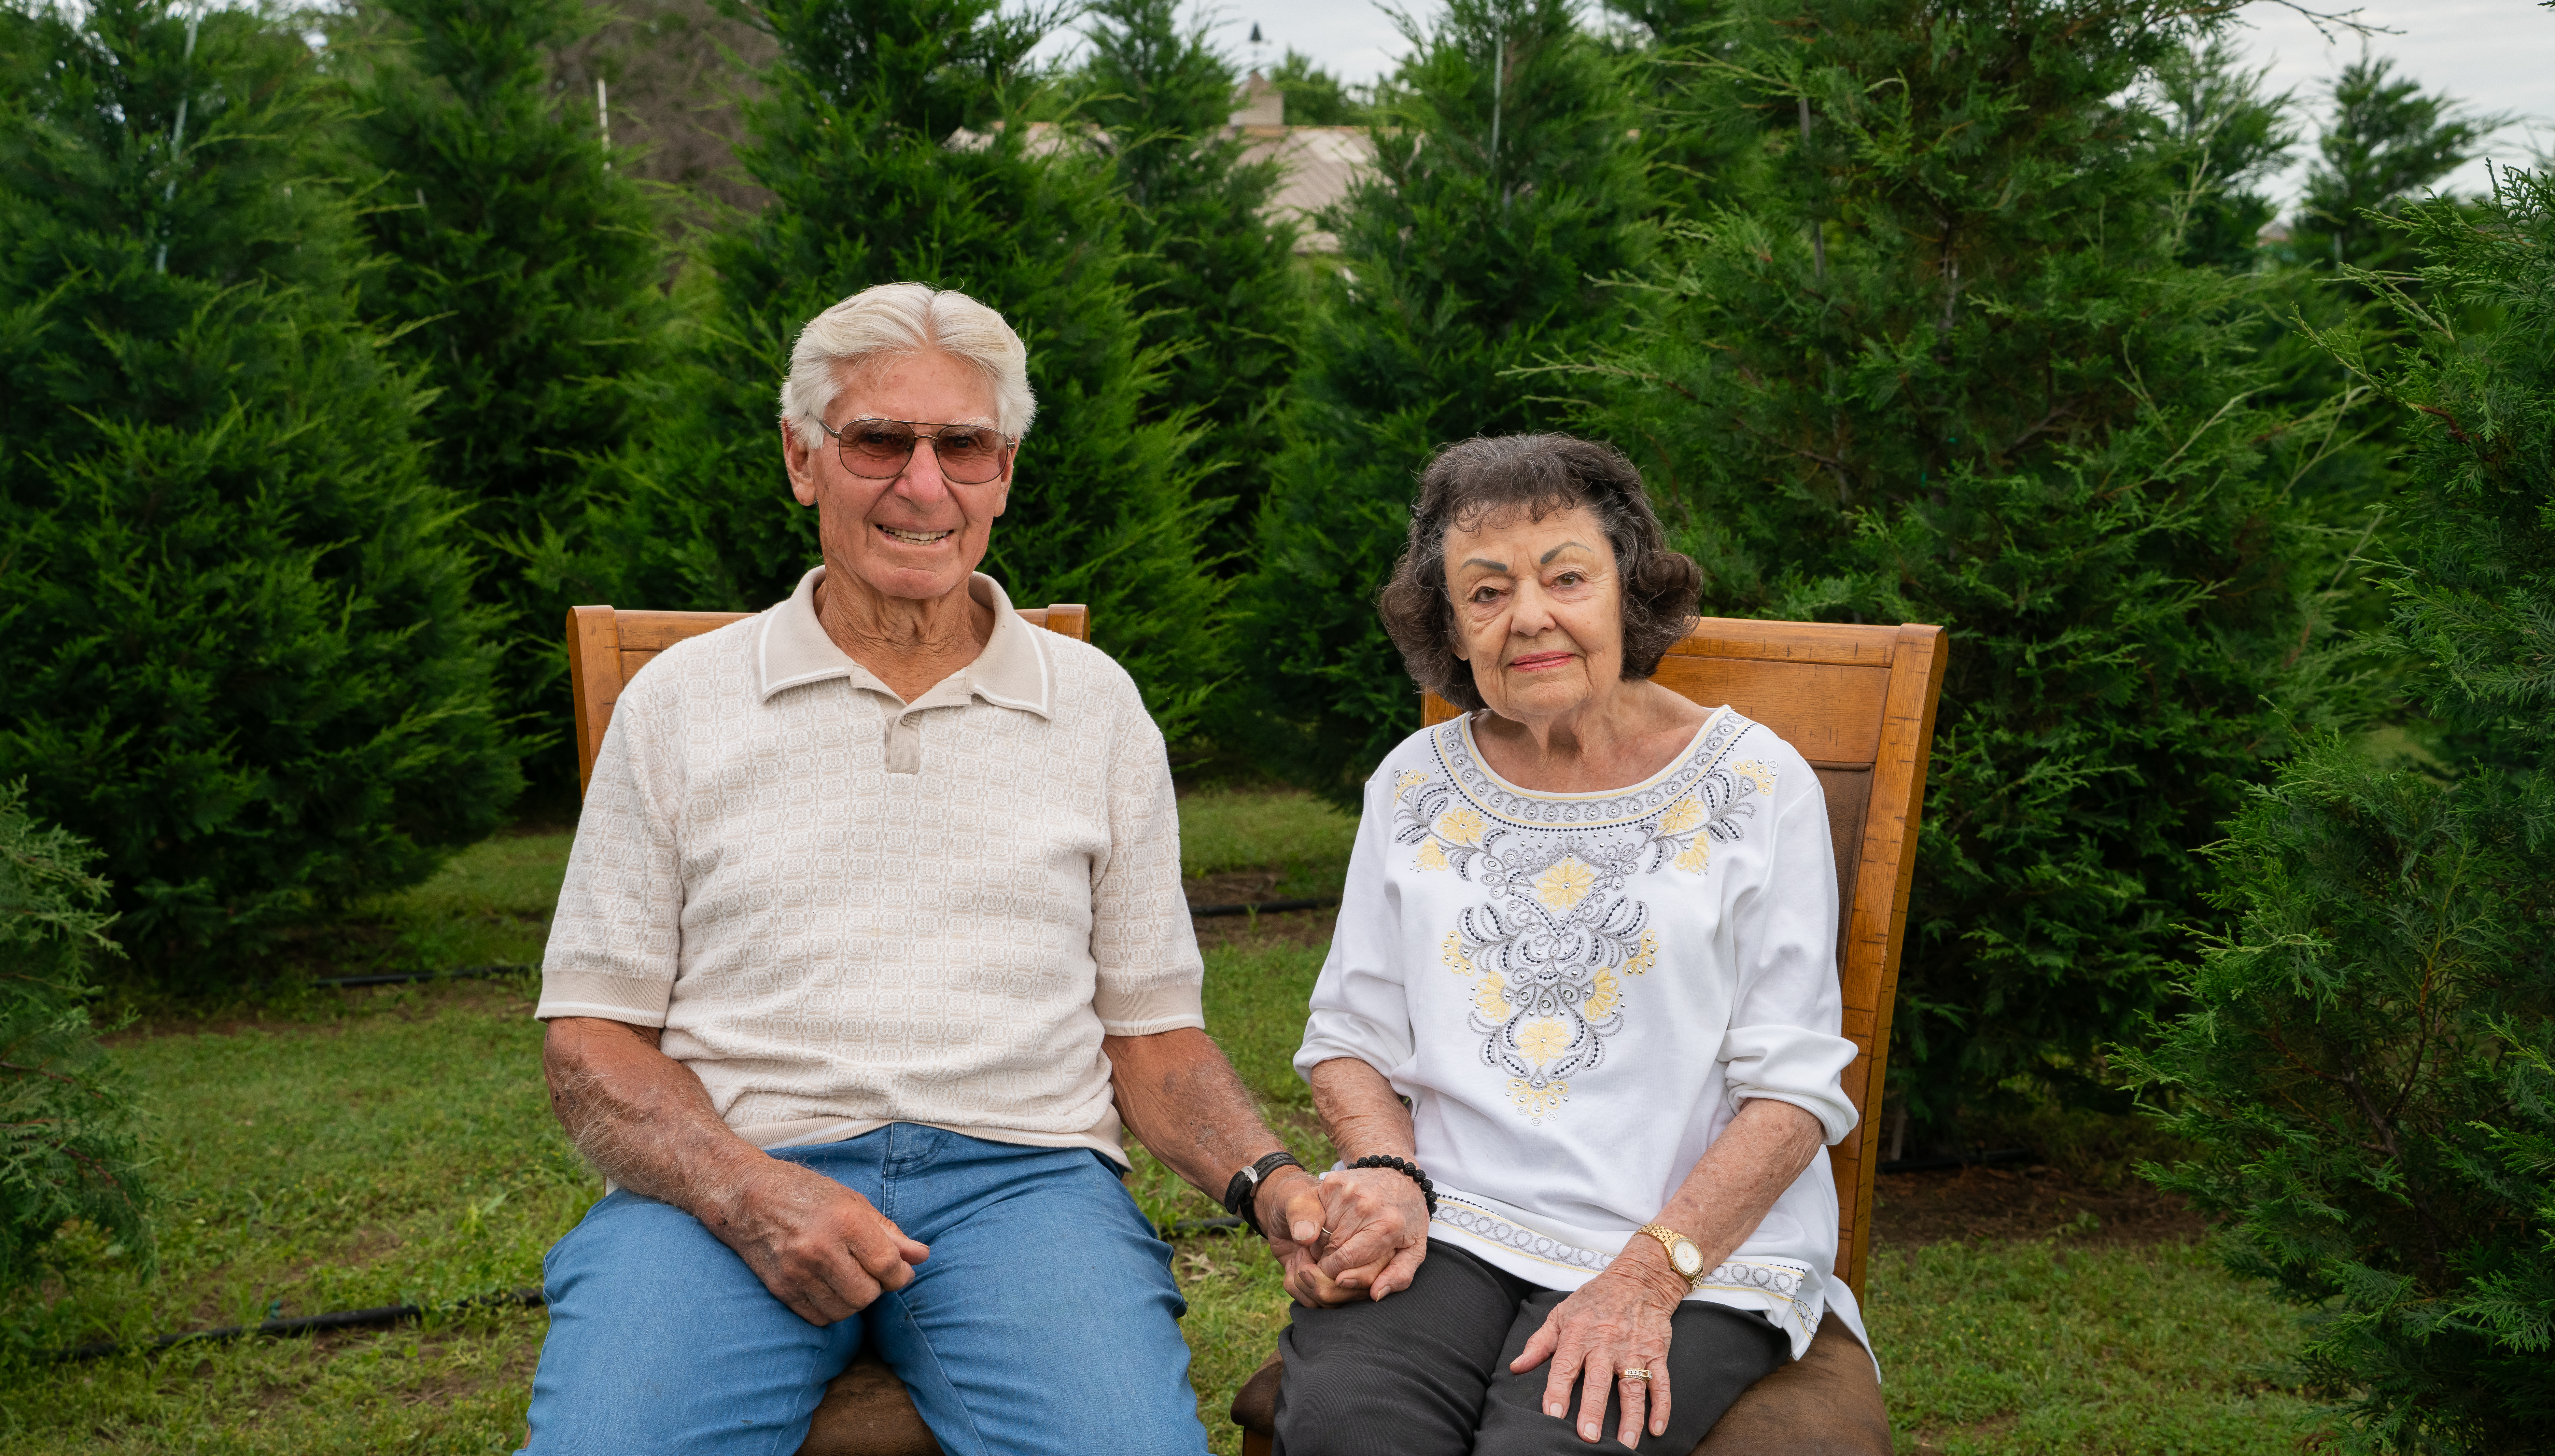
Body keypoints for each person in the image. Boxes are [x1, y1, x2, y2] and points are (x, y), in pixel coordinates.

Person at [520, 282, 1325, 1456]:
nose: (923, 483)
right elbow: (589, 1043)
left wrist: (1272, 1184)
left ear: (1003, 471)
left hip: (1025, 1193)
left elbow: (1154, 1039)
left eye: (964, 445)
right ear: (803, 461)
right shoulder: (681, 703)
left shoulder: (1096, 708)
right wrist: (746, 1190)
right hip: (722, 1183)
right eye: (878, 441)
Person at [1269, 434, 1874, 1455]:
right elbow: (1350, 1037)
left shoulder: (1757, 786)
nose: (1532, 617)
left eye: (1566, 577)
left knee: (1549, 1443)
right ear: (1452, 629)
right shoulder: (1415, 784)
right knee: (1346, 1428)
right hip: (1452, 1223)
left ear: (1626, 591)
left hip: (1690, 1248)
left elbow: (1796, 1092)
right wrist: (1383, 1174)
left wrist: (1648, 1273)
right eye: (1488, 592)